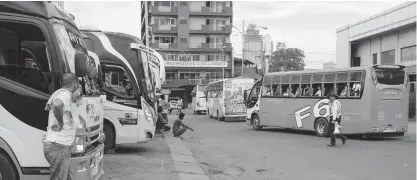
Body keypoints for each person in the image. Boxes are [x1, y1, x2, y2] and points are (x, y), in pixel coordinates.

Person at [43, 73, 80, 180]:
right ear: (75, 83)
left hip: (60, 146)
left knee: (69, 178)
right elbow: (57, 105)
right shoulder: (64, 95)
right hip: (59, 146)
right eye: (78, 84)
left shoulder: (58, 93)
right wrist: (61, 123)